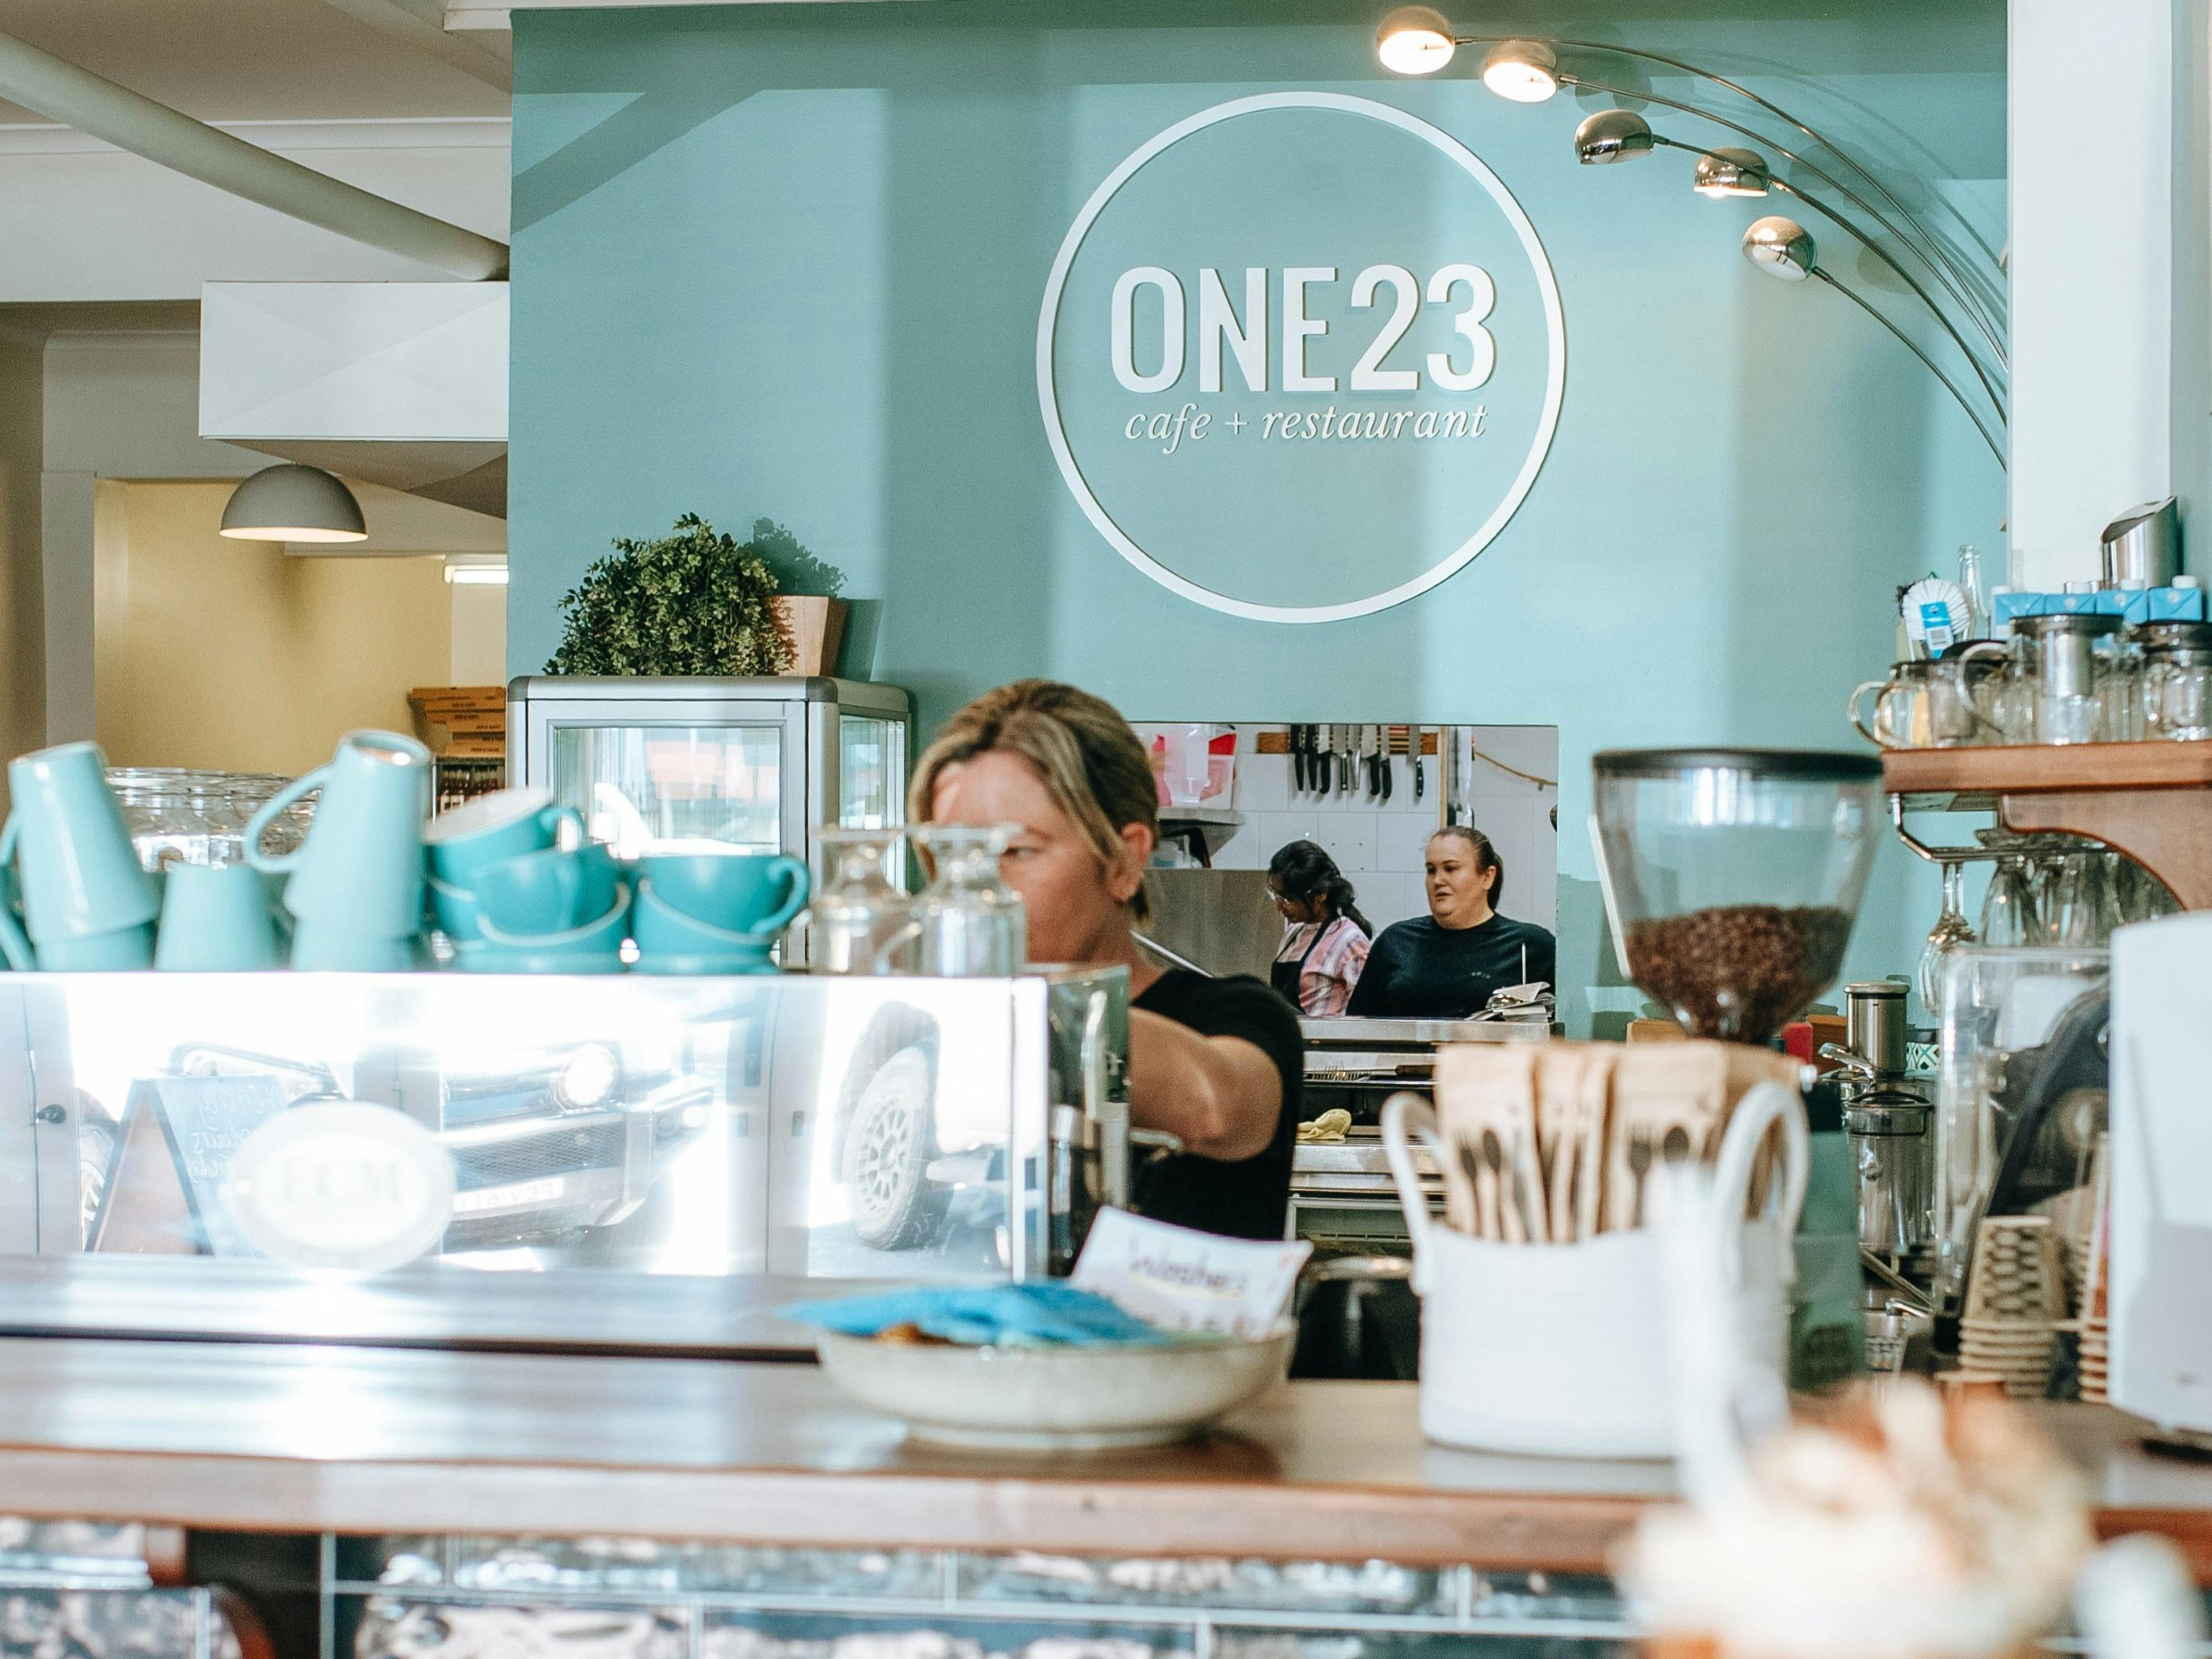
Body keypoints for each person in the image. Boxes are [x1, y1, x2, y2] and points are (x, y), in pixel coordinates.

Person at [911, 680, 1302, 1240]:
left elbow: (1213, 1106)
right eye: (949, 855)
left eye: (1017, 851)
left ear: (1124, 859)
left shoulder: (1239, 1015)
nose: (975, 888)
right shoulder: (930, 1029)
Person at [1345, 826, 1555, 1019]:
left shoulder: (1530, 946)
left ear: (1487, 877)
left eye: (1451, 868)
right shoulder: (1396, 942)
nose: (1437, 880)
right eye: (1431, 870)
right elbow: (1359, 1022)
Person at [1266, 840, 1371, 1017]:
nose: (1279, 906)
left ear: (1321, 894)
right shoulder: (1293, 933)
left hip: (1325, 1043)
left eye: (1287, 899)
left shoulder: (1350, 940)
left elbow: (1362, 1015)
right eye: (1276, 895)